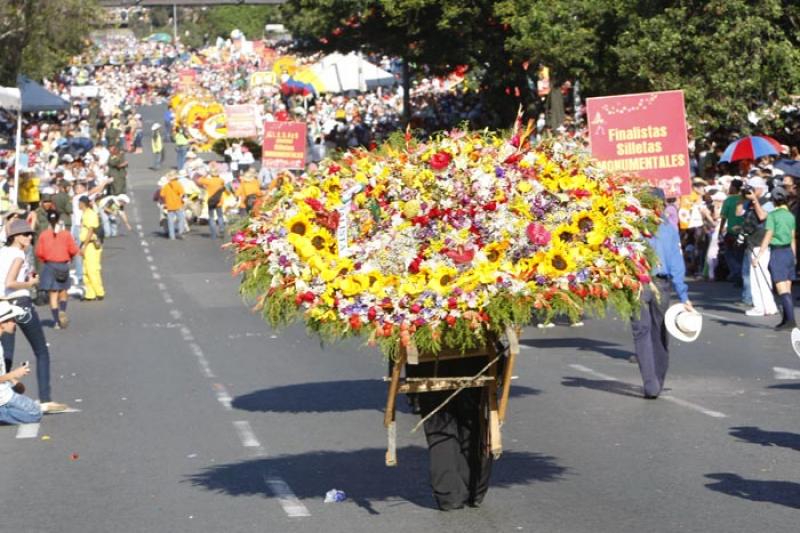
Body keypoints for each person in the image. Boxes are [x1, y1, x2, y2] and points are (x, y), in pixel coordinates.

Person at [405, 356, 494, 510]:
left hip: (431, 363)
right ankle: (474, 489)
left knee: (440, 424)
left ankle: (450, 495)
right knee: (470, 417)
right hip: (471, 360)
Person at [631, 188, 695, 399]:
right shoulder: (668, 229)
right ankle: (656, 379)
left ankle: (651, 383)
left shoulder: (631, 228)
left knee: (643, 332)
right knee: (658, 331)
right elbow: (677, 264)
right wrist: (684, 296)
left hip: (639, 284)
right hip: (659, 284)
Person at [0, 219, 66, 412]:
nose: (29, 237)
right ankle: (45, 399)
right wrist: (31, 284)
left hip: (4, 304)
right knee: (41, 350)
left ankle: (6, 393)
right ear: (14, 237)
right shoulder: (18, 254)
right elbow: (11, 282)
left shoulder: (2, 252)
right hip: (21, 303)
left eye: (30, 234)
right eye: (24, 234)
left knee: (6, 352)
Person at [756, 187, 796, 330]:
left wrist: (759, 255)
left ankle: (791, 321)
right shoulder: (790, 216)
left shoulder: (773, 215)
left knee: (781, 289)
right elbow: (792, 238)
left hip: (777, 252)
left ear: (773, 201)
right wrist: (794, 256)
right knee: (787, 288)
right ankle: (786, 319)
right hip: (788, 253)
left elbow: (768, 235)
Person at [0, 301, 43, 425]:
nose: (15, 323)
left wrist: (13, 380)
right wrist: (14, 374)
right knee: (34, 413)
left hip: (4, 391)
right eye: (12, 320)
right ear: (2, 323)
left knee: (33, 409)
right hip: (3, 397)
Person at [741, 176, 778, 316]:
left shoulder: (768, 202)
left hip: (761, 243)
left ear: (760, 189)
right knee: (757, 276)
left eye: (752, 188)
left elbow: (763, 216)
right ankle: (767, 306)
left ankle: (763, 307)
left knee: (760, 277)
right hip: (753, 242)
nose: (749, 191)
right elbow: (741, 214)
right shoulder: (749, 202)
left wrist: (755, 201)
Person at [35, 211, 79, 329]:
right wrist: (69, 257)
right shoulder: (66, 234)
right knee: (63, 291)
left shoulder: (44, 235)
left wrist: (45, 259)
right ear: (59, 219)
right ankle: (62, 310)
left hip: (50, 266)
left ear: (48, 220)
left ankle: (55, 321)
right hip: (63, 265)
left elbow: (39, 252)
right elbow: (74, 250)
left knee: (53, 294)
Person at [78, 195, 105, 301]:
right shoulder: (85, 214)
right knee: (86, 270)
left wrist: (84, 245)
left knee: (93, 269)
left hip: (91, 245)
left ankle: (99, 292)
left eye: (79, 203)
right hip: (85, 243)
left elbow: (90, 230)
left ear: (83, 204)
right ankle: (90, 293)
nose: (78, 205)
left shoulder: (91, 214)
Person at [718, 179, 744, 283]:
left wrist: (720, 230)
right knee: (740, 254)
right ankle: (740, 274)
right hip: (743, 231)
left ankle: (737, 272)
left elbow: (723, 218)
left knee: (729, 253)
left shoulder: (728, 200)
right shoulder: (744, 199)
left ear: (733, 188)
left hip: (732, 231)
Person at [196, 165, 226, 239]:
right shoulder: (221, 180)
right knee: (220, 216)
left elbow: (199, 180)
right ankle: (221, 228)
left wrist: (206, 174)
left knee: (211, 217)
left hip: (211, 201)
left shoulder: (209, 181)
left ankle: (213, 234)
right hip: (219, 200)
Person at [160, 171, 186, 240]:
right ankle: (180, 232)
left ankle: (172, 236)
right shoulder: (178, 184)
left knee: (170, 221)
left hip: (169, 205)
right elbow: (182, 194)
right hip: (178, 204)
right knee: (181, 219)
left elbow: (162, 195)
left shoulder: (165, 186)